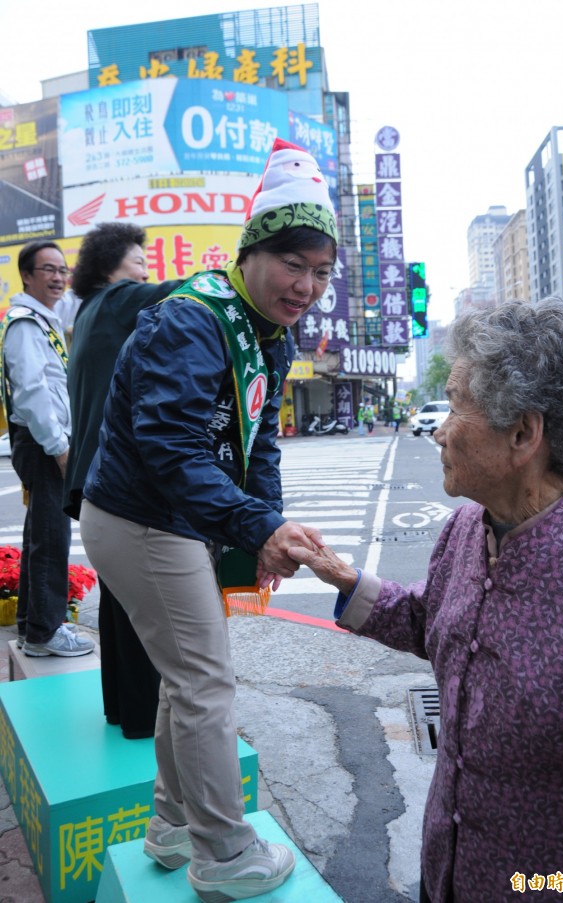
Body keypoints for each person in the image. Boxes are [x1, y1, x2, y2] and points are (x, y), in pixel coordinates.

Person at [79, 138, 336, 901]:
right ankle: (224, 853)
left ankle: (171, 825)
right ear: (253, 249)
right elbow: (170, 447)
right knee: (206, 681)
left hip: (173, 520)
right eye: (295, 263)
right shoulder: (190, 320)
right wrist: (255, 524)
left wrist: (268, 526)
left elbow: (259, 444)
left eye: (322, 272)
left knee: (184, 679)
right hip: (142, 518)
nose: (307, 285)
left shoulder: (267, 332)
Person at [288, 299, 563, 903]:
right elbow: (434, 621)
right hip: (446, 865)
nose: (437, 427)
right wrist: (342, 577)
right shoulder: (464, 528)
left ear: (523, 434)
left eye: (457, 405)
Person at [65, 222, 183, 739]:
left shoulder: (89, 312)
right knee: (146, 606)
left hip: (90, 474)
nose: (145, 270)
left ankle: (121, 708)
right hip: (117, 474)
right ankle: (141, 717)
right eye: (139, 261)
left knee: (119, 599)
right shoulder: (118, 300)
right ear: (113, 265)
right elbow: (184, 291)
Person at [0, 240, 94, 658]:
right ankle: (43, 633)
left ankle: (34, 628)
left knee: (42, 534)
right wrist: (59, 447)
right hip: (42, 444)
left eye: (62, 270)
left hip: (44, 442)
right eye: (49, 270)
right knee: (51, 538)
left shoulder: (45, 319)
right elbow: (32, 391)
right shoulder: (24, 324)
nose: (59, 278)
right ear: (27, 275)